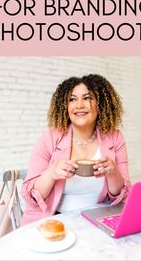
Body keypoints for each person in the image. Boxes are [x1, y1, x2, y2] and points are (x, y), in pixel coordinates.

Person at [21, 74, 131, 225]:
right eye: (72, 99)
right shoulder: (50, 138)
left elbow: (121, 195)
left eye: (87, 98)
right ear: (65, 106)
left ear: (101, 103)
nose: (79, 105)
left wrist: (113, 172)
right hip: (55, 220)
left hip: (98, 220)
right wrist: (52, 172)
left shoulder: (115, 138)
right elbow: (30, 196)